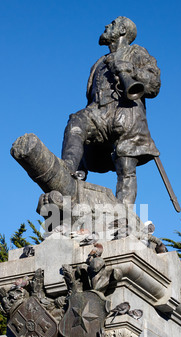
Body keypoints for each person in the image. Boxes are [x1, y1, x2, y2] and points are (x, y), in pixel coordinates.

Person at [61, 16, 161, 205]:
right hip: (98, 112)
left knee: (126, 166)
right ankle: (68, 172)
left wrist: (129, 70)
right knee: (76, 123)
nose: (107, 25)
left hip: (127, 114)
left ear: (123, 31)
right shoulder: (98, 63)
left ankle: (123, 214)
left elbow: (154, 85)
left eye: (113, 24)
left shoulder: (137, 52)